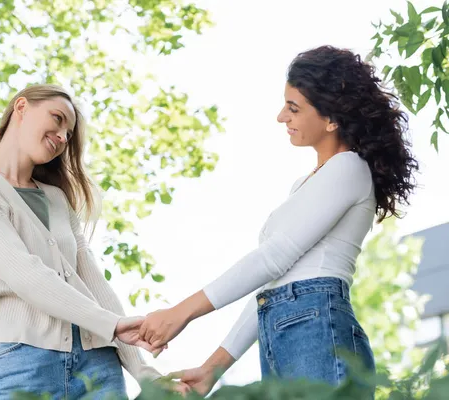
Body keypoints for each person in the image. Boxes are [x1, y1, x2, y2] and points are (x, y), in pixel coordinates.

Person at [137, 45, 419, 396]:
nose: (281, 117)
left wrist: (181, 312)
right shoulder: (305, 184)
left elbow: (273, 258)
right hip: (287, 327)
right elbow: (274, 284)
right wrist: (213, 368)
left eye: (294, 108)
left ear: (332, 120)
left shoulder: (349, 168)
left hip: (316, 327)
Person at [0, 84, 182, 399]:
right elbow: (22, 272)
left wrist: (143, 371)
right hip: (25, 360)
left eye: (68, 135)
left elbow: (94, 285)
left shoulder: (57, 199)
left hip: (99, 363)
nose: (61, 136)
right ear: (21, 107)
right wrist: (112, 324)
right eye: (57, 119)